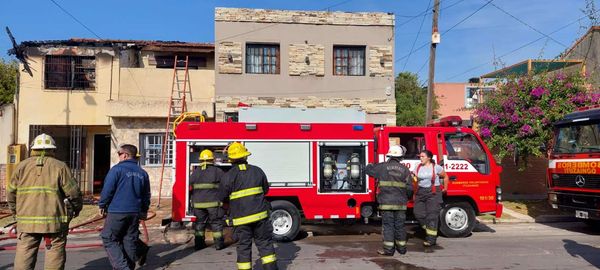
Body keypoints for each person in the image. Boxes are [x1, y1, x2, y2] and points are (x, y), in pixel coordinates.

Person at [7, 133, 83, 270]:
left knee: (24, 255)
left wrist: (16, 214)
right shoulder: (60, 167)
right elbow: (74, 193)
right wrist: (76, 209)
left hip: (26, 222)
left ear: (33, 149)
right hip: (54, 223)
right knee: (55, 255)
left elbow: (11, 194)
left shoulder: (21, 167)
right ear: (53, 149)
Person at [219, 142, 278, 270]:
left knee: (243, 248)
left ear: (231, 159)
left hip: (241, 220)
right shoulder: (258, 171)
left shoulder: (227, 177)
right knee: (265, 245)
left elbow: (223, 199)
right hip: (260, 217)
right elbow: (266, 190)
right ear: (245, 156)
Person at [99, 144, 151, 270]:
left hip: (117, 211)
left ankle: (123, 267)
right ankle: (130, 265)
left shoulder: (116, 170)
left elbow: (107, 190)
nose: (119, 156)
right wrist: (144, 210)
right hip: (135, 212)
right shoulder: (143, 173)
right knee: (129, 240)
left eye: (119, 154)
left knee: (108, 238)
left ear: (126, 155)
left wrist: (102, 204)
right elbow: (146, 195)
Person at [365, 145, 413, 256]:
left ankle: (389, 250)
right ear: (400, 157)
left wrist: (370, 164)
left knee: (388, 226)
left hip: (386, 203)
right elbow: (410, 188)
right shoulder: (405, 170)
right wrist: (408, 198)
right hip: (401, 203)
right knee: (400, 225)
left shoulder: (382, 167)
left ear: (389, 155)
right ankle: (402, 249)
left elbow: (368, 171)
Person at [412, 149, 449, 249]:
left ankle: (431, 239)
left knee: (432, 216)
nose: (420, 158)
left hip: (433, 193)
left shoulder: (436, 167)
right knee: (418, 213)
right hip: (420, 192)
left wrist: (445, 188)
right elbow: (414, 179)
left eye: (423, 156)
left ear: (429, 158)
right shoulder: (418, 166)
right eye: (420, 156)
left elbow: (445, 177)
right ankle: (430, 230)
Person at [190, 149, 226, 250]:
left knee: (199, 225)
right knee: (216, 224)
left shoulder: (195, 172)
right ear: (212, 160)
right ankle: (218, 245)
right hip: (213, 204)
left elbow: (189, 185)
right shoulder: (218, 171)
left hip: (198, 205)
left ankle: (199, 245)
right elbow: (225, 186)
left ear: (201, 160)